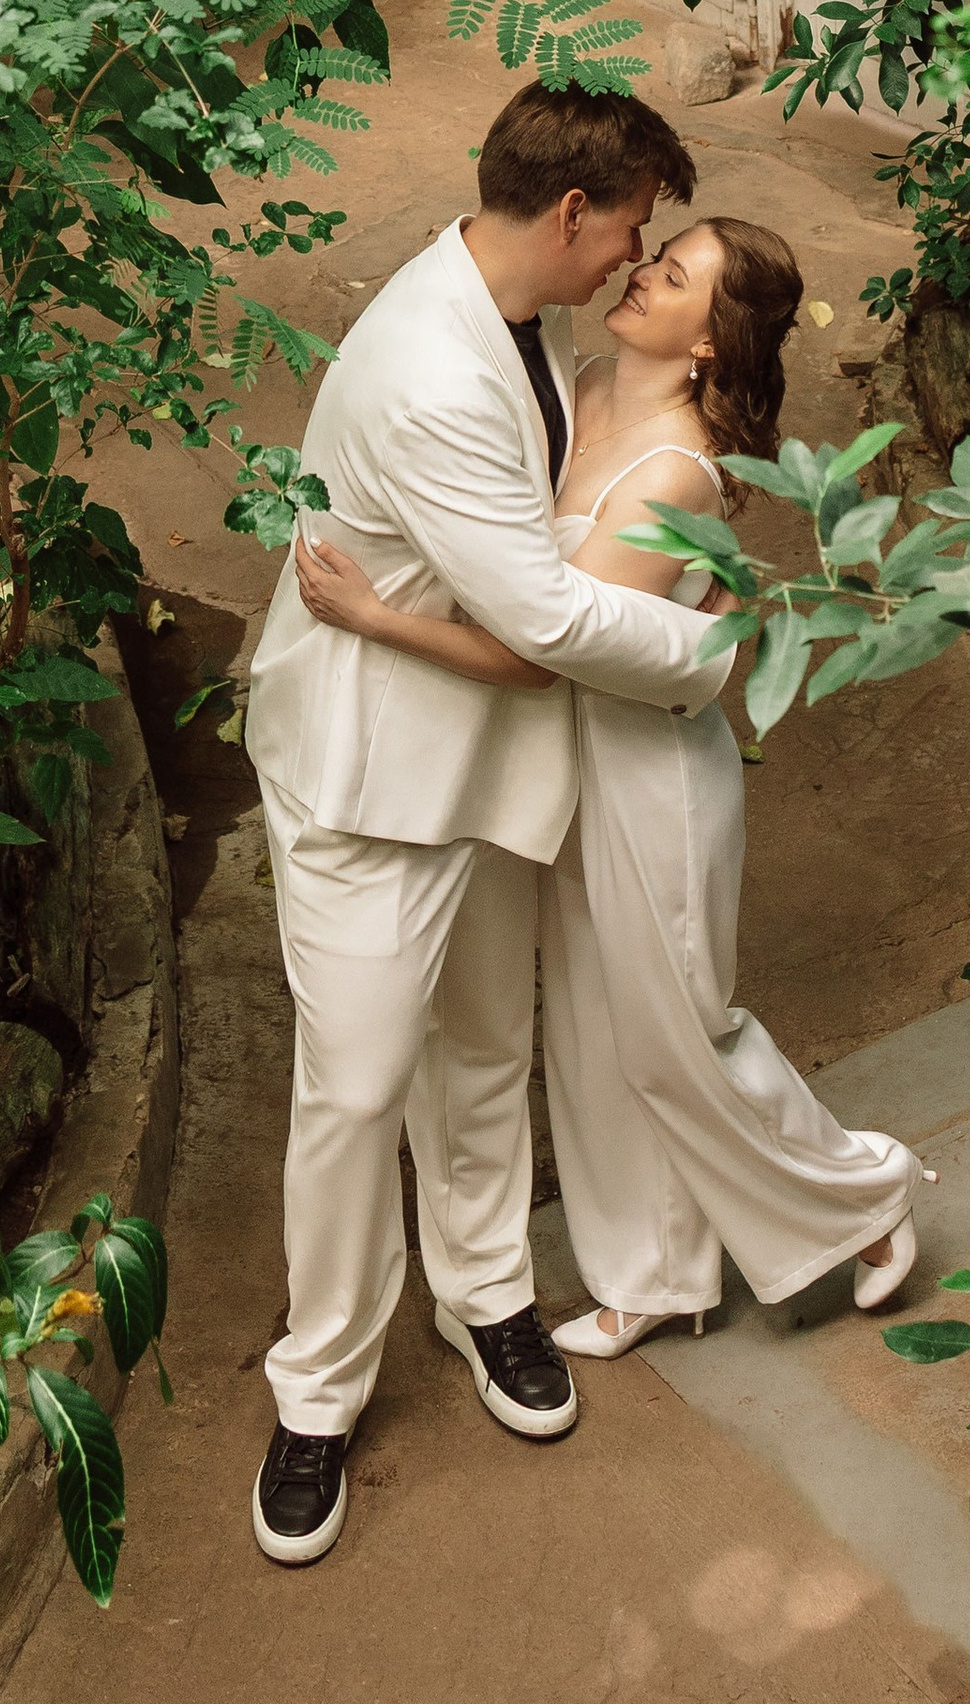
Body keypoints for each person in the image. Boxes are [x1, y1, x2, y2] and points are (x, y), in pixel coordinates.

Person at [293, 208, 926, 1371]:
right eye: (653, 253)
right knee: (587, 1032)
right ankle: (651, 1279)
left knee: (677, 1031)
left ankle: (862, 1194)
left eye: (672, 274)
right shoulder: (572, 381)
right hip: (549, 760)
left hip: (644, 775)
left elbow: (538, 645)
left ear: (707, 341)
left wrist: (377, 618)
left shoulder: (674, 469)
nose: (639, 273)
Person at [240, 80, 731, 1571]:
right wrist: (711, 650)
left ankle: (485, 1295)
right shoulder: (430, 374)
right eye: (631, 233)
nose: (634, 264)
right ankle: (318, 1388)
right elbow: (539, 617)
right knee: (355, 1085)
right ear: (570, 211)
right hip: (372, 782)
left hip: (487, 759)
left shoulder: (525, 315)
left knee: (481, 1053)